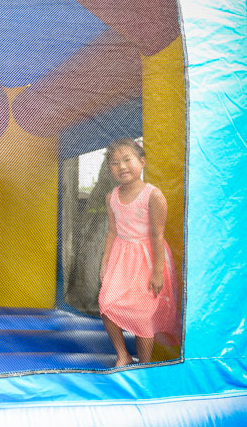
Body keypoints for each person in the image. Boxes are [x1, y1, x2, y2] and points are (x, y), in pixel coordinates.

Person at [98, 138, 180, 367]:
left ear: (141, 162)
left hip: (147, 258)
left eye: (127, 159)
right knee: (106, 304)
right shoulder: (111, 197)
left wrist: (157, 271)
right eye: (114, 163)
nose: (121, 166)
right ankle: (122, 354)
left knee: (144, 314)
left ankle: (144, 363)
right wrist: (104, 262)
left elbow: (157, 235)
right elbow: (112, 231)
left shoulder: (153, 195)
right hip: (122, 257)